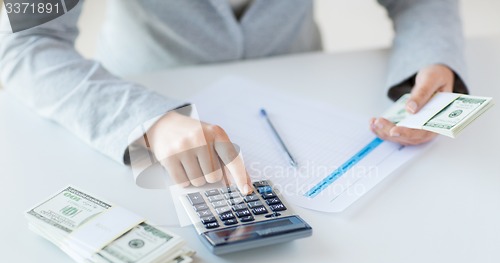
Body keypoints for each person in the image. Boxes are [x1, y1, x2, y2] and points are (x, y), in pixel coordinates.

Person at [0, 0, 468, 194]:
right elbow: (23, 43)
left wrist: (430, 60)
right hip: (139, 110)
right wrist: (150, 122)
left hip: (304, 94)